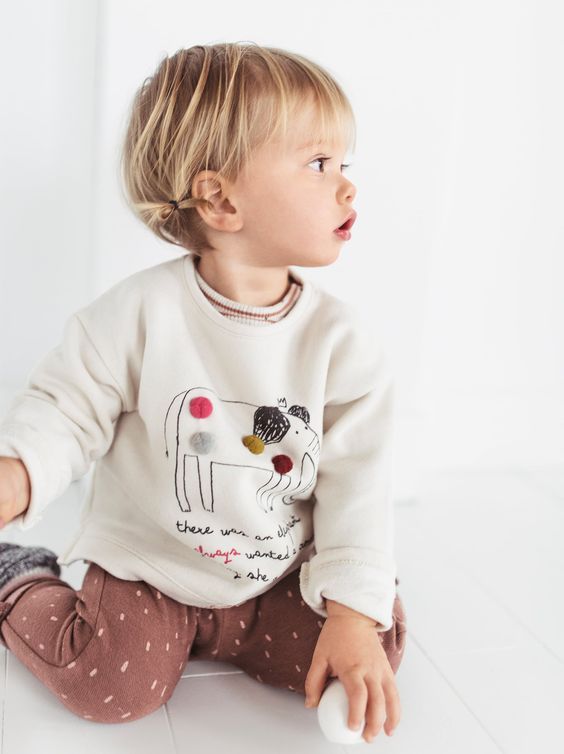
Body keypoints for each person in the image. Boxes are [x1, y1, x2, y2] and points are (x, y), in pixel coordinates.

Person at [0, 42, 406, 742]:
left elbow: (358, 484)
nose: (346, 188)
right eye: (319, 164)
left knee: (378, 637)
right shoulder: (137, 315)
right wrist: (19, 472)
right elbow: (68, 410)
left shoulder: (343, 344)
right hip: (152, 569)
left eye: (346, 165)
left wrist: (350, 614)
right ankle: (17, 577)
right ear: (220, 198)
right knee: (106, 682)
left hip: (277, 572)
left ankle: (264, 627)